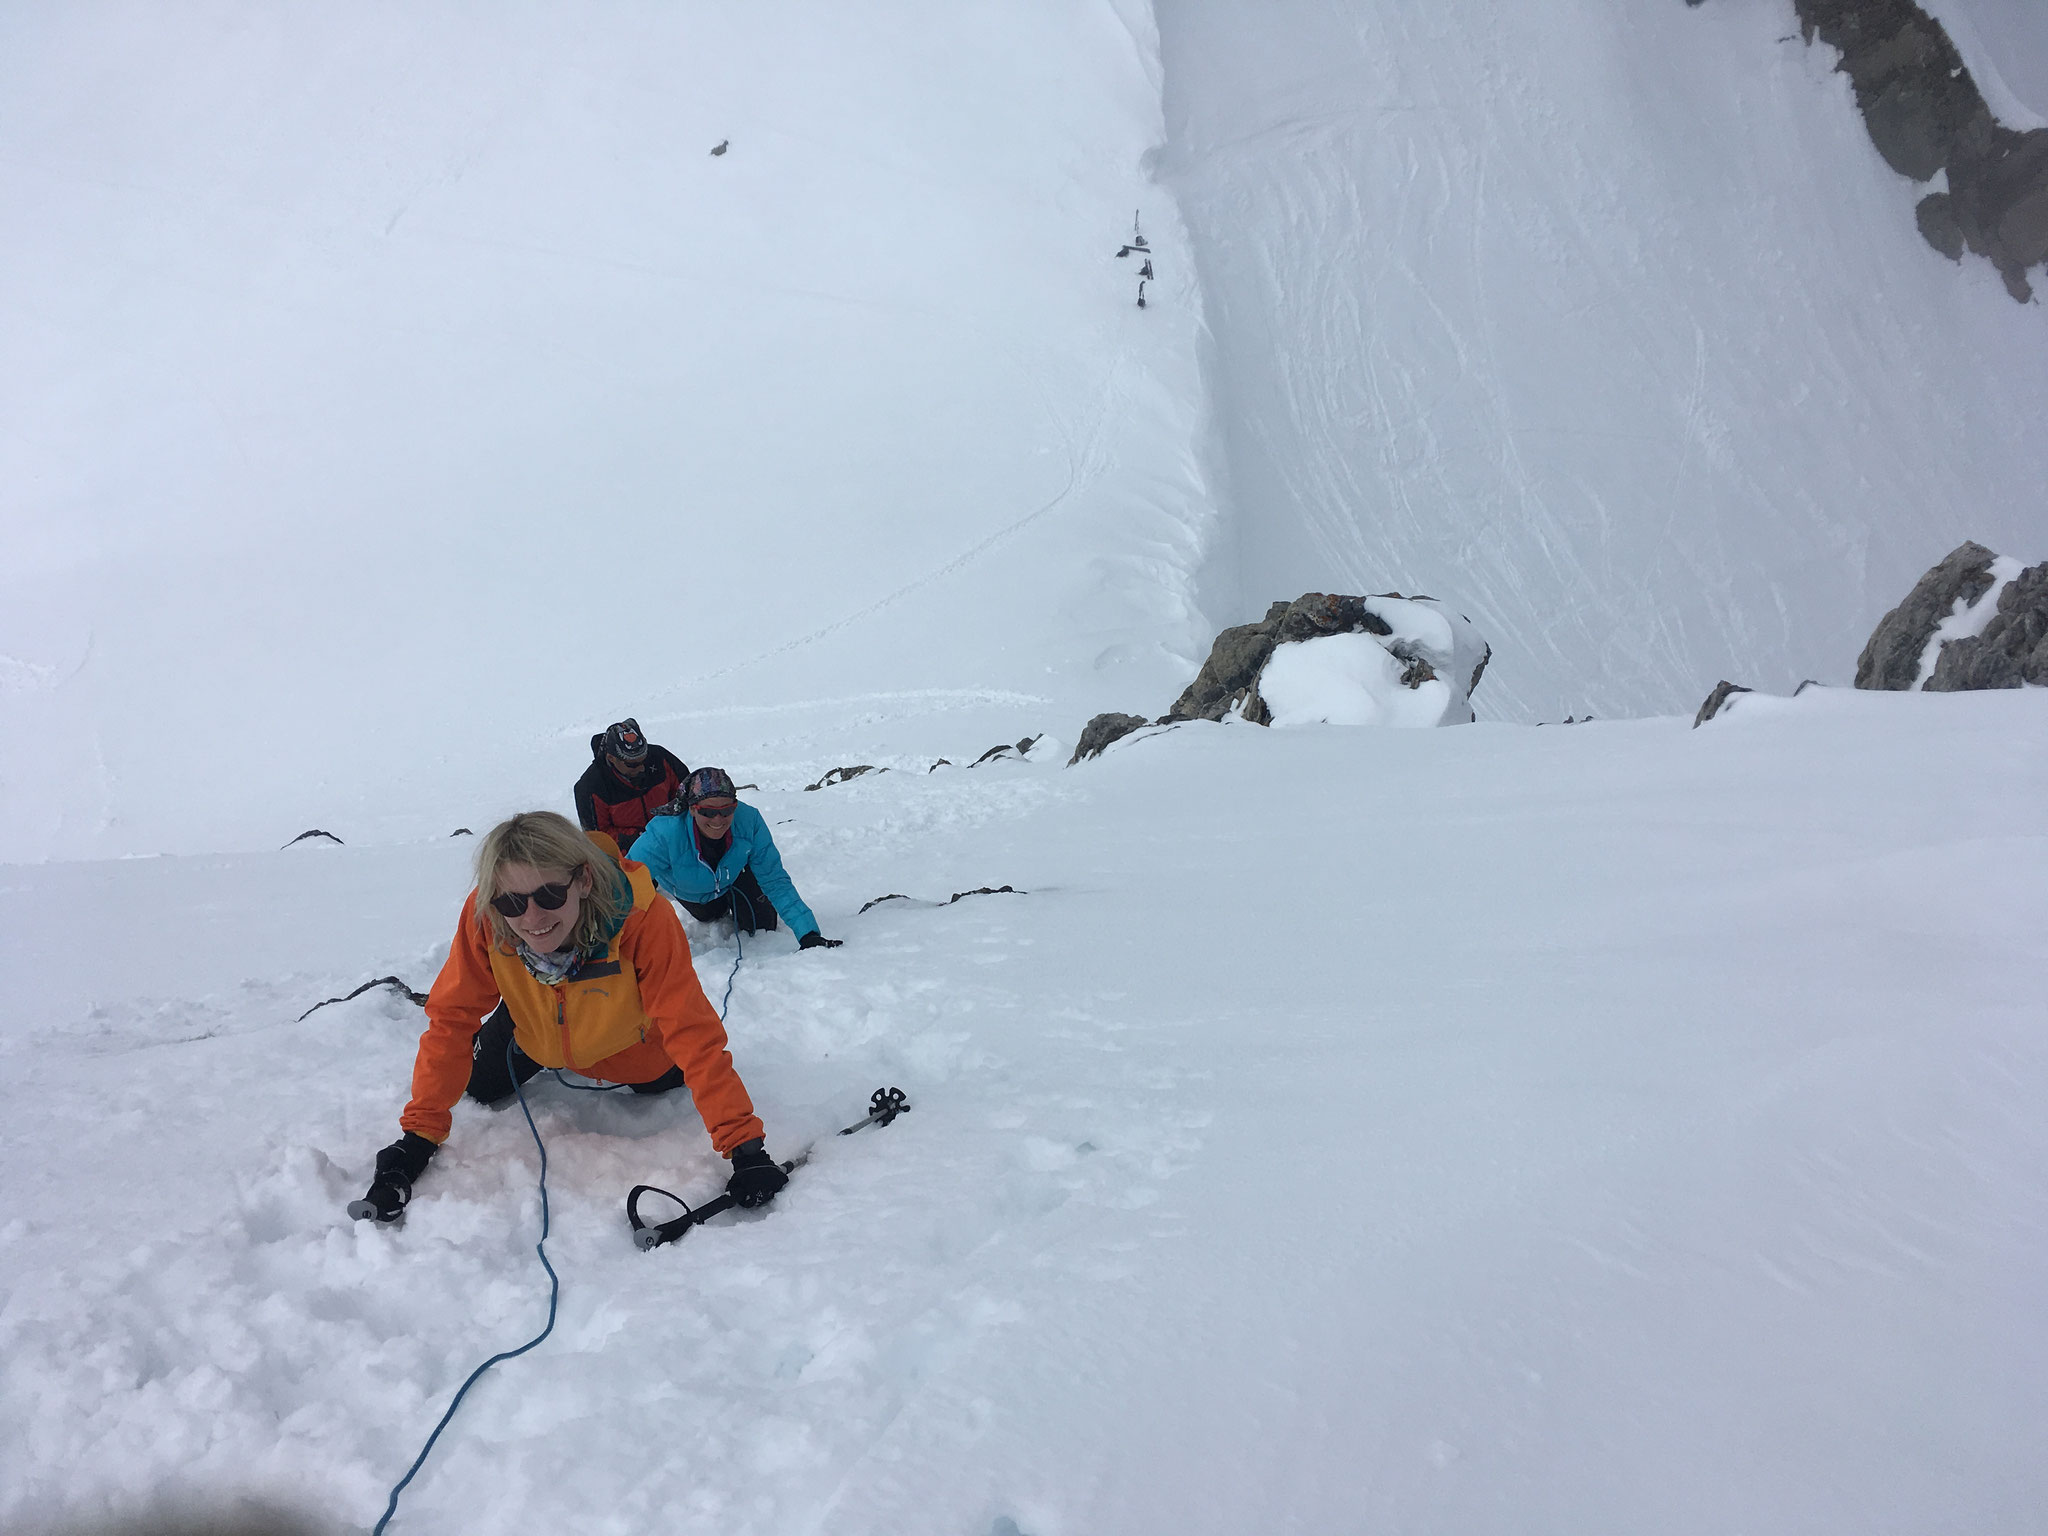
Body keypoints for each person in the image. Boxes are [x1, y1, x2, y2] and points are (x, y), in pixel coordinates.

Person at [353, 810, 787, 1222]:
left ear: (582, 880)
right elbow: (451, 1018)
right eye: (513, 902)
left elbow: (691, 1032)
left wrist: (746, 1150)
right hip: (533, 1034)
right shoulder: (488, 916)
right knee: (476, 1088)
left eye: (549, 894)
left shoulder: (643, 919)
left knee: (662, 1082)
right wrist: (416, 1141)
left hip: (635, 1050)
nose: (533, 917)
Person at [631, 766, 843, 950]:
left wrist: (808, 933)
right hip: (692, 891)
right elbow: (626, 884)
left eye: (727, 810)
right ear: (692, 809)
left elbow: (775, 879)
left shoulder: (749, 821)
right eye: (708, 811)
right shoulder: (664, 833)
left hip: (734, 878)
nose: (718, 819)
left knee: (762, 927)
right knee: (709, 915)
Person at [573, 718, 688, 856]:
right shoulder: (590, 787)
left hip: (674, 841)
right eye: (632, 764)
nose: (641, 768)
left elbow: (686, 794)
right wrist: (638, 838)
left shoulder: (661, 758)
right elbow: (598, 838)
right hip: (629, 857)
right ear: (611, 758)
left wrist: (671, 826)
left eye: (644, 759)